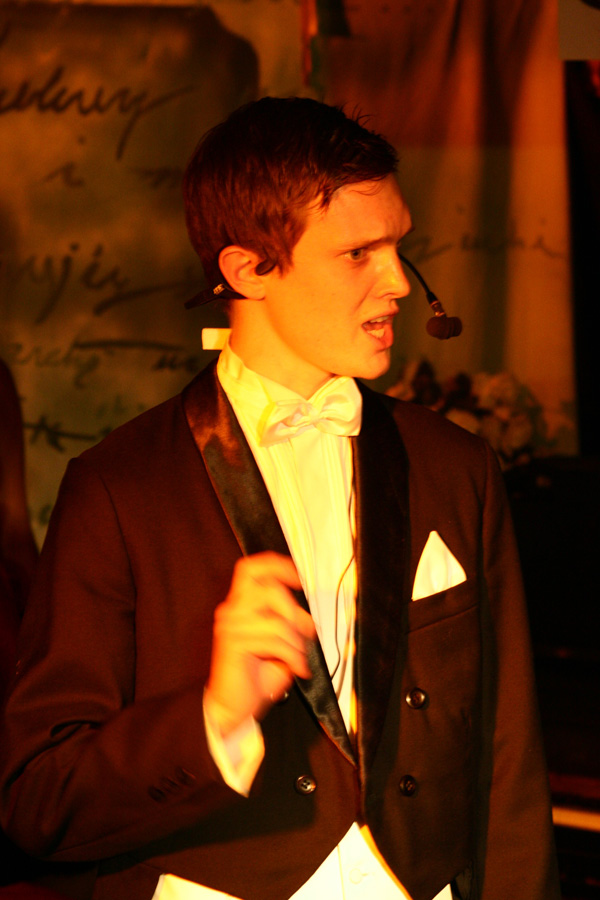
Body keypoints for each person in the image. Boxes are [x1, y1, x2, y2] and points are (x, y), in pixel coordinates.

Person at [0, 98, 560, 900]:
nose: (398, 282)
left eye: (397, 246)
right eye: (358, 253)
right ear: (248, 270)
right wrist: (214, 718)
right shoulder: (117, 489)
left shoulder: (457, 466)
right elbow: (37, 800)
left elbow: (510, 765)